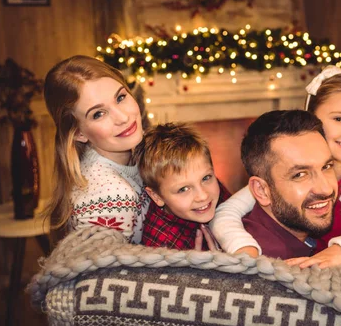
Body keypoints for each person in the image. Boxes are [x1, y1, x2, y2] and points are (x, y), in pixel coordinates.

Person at [209, 66, 341, 268]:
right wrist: (245, 252)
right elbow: (226, 212)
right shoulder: (283, 174)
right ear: (312, 119)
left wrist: (340, 251)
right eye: (339, 118)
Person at [44, 55, 149, 244]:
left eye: (120, 97)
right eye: (98, 114)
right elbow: (106, 273)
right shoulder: (111, 196)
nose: (123, 117)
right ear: (78, 133)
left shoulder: (131, 160)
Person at [239, 110, 337, 259]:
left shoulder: (307, 231)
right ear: (262, 191)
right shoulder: (268, 269)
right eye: (300, 175)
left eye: (327, 166)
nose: (326, 189)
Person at [135, 122, 230, 250]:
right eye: (183, 189)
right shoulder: (163, 248)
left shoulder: (213, 190)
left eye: (206, 178)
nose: (202, 196)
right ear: (156, 196)